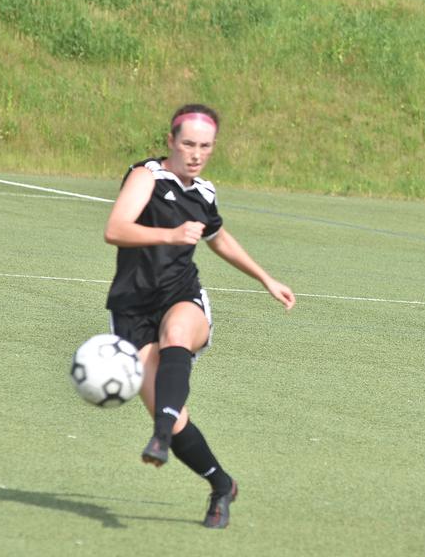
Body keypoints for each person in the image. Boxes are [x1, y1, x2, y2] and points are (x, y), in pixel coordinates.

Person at [103, 103, 296, 529]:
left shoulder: (203, 193)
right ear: (170, 141)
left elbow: (218, 237)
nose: (196, 153)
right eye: (188, 143)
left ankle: (158, 435)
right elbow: (115, 228)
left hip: (182, 296)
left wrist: (266, 278)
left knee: (177, 334)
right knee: (176, 418)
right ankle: (221, 484)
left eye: (205, 146)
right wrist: (170, 234)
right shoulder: (147, 177)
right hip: (132, 308)